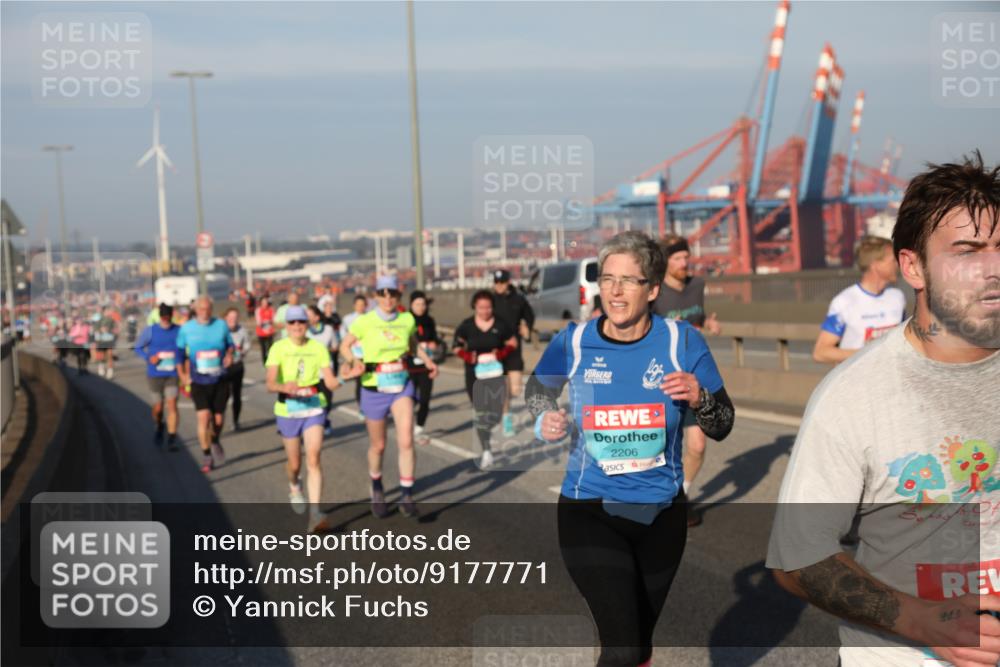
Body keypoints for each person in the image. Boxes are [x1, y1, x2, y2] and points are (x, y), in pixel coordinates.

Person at [767, 152, 1000, 667]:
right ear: (912, 266)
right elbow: (797, 557)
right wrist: (925, 622)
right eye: (967, 251)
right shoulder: (852, 395)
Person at [527, 231, 734, 666]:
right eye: (607, 279)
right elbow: (537, 389)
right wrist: (542, 416)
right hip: (591, 510)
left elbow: (722, 425)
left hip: (661, 516)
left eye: (629, 281)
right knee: (622, 646)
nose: (615, 291)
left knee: (637, 645)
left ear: (653, 289)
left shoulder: (682, 342)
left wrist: (700, 399)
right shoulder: (576, 340)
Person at [340, 275, 438, 519]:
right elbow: (344, 346)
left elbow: (413, 343)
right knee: (379, 445)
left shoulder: (406, 319)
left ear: (398, 296)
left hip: (400, 385)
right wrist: (354, 360)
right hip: (373, 388)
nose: (387, 298)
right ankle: (376, 485)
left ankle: (407, 495)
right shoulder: (365, 321)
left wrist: (428, 362)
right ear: (376, 296)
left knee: (406, 440)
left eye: (392, 294)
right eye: (383, 293)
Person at [652, 234, 722, 527]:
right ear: (665, 262)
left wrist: (709, 324)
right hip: (660, 379)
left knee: (697, 446)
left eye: (686, 257)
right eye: (678, 258)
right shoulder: (655, 293)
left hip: (692, 377)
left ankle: (681, 494)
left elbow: (698, 317)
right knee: (661, 446)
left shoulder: (697, 286)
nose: (684, 263)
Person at [266, 304, 354, 533]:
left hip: (314, 408)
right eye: (292, 322)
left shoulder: (318, 348)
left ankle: (315, 514)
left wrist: (345, 377)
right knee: (295, 464)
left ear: (307, 324)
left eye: (301, 322)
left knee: (313, 458)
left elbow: (330, 382)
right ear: (286, 326)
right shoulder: (278, 348)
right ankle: (294, 485)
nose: (297, 326)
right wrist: (285, 386)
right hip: (289, 410)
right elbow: (270, 383)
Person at [812, 235, 907, 364]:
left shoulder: (897, 297)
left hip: (891, 381)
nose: (898, 264)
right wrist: (868, 353)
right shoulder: (844, 302)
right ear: (875, 265)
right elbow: (821, 352)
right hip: (857, 382)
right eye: (893, 260)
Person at [454, 290, 518, 470]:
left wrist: (501, 353)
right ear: (474, 306)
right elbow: (455, 347)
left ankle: (490, 432)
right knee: (481, 412)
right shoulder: (466, 325)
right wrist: (468, 356)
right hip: (474, 376)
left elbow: (513, 342)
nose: (485, 311)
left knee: (496, 412)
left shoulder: (500, 324)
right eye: (481, 307)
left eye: (488, 307)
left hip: (496, 374)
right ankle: (487, 451)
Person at [176, 296, 234, 473]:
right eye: (201, 309)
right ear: (195, 310)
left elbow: (230, 345)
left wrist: (230, 354)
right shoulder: (187, 329)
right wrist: (183, 375)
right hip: (198, 380)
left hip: (219, 379)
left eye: (208, 308)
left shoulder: (221, 325)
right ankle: (207, 455)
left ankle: (215, 439)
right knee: (203, 417)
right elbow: (179, 353)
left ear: (212, 309)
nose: (205, 312)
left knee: (218, 420)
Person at [491, 269, 535, 437]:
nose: (499, 286)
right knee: (503, 386)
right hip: (497, 349)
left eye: (502, 282)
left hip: (515, 348)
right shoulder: (491, 300)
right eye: (496, 282)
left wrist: (527, 327)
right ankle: (506, 417)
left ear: (508, 282)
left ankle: (505, 402)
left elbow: (529, 315)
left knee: (515, 389)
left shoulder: (518, 299)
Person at [134, 303, 181, 450]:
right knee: (158, 407)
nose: (166, 320)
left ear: (172, 316)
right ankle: (159, 425)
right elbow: (138, 347)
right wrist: (149, 357)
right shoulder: (151, 331)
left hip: (172, 373)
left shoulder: (178, 330)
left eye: (168, 317)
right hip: (155, 374)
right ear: (160, 317)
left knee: (172, 404)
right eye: (164, 317)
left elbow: (185, 348)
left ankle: (172, 438)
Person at [408, 291, 438, 446]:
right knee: (409, 400)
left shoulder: (429, 321)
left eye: (423, 304)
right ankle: (406, 425)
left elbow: (435, 339)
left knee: (425, 399)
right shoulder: (405, 320)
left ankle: (419, 428)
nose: (420, 307)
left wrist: (433, 344)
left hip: (426, 366)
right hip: (410, 367)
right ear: (411, 305)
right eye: (417, 304)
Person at [306, 304, 338, 437]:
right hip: (309, 373)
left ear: (317, 317)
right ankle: (315, 425)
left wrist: (325, 352)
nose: (306, 318)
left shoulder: (329, 330)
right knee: (313, 401)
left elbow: (335, 346)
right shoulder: (304, 331)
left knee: (327, 401)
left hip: (326, 371)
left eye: (308, 315)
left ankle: (325, 420)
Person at [223, 307, 252, 431]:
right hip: (223, 367)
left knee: (237, 395)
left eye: (235, 318)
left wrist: (243, 351)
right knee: (223, 395)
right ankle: (219, 419)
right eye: (230, 318)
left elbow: (247, 344)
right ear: (226, 318)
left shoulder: (242, 331)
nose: (233, 320)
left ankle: (235, 421)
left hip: (237, 365)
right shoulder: (221, 331)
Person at [341, 294, 370, 413]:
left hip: (368, 354)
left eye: (363, 305)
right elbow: (344, 338)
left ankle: (371, 405)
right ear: (354, 306)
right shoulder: (348, 319)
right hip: (355, 355)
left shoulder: (370, 318)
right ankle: (362, 407)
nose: (360, 307)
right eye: (358, 305)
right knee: (359, 382)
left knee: (369, 380)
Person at [255, 295, 276, 368]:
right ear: (261, 303)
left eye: (266, 302)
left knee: (271, 348)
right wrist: (266, 322)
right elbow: (259, 322)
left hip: (270, 332)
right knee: (263, 348)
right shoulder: (258, 310)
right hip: (261, 332)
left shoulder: (271, 309)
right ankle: (265, 362)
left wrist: (268, 322)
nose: (265, 303)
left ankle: (271, 361)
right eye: (263, 302)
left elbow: (274, 319)